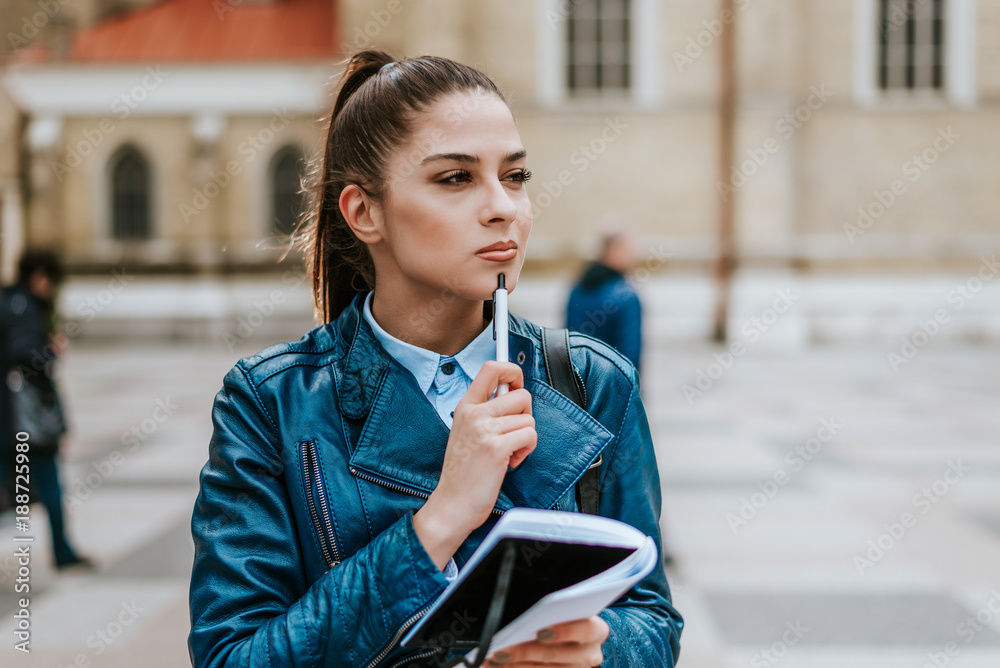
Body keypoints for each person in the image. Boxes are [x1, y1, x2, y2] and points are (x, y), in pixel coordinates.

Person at [188, 50, 682, 668]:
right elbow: (232, 656)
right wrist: (441, 518)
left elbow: (652, 619)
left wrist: (593, 652)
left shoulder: (593, 380)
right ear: (364, 212)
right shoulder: (272, 404)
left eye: (517, 176)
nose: (503, 206)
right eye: (456, 178)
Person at [0, 249, 91, 570]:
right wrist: (50, 350)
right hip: (25, 418)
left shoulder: (7, 301)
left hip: (9, 418)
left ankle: (64, 549)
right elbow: (24, 353)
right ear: (39, 276)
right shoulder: (25, 307)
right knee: (49, 481)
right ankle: (63, 551)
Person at [565, 226, 643, 376]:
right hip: (614, 387)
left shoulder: (577, 288)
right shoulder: (626, 296)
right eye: (629, 249)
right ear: (614, 250)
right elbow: (631, 356)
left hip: (579, 384)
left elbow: (567, 341)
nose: (633, 256)